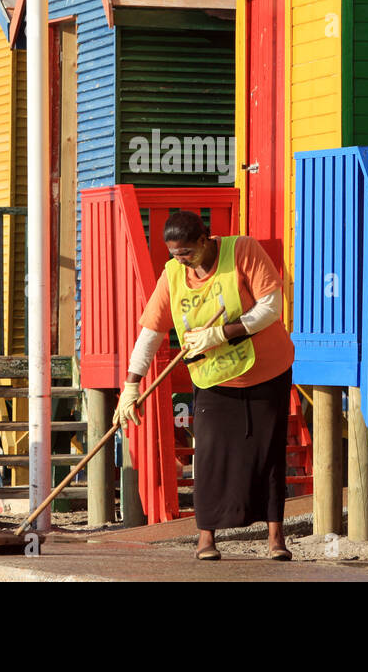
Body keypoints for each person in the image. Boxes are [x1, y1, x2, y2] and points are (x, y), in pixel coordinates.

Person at [116, 211, 295, 561]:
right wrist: (131, 384)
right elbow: (151, 332)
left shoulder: (242, 251)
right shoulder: (173, 276)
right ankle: (206, 539)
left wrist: (221, 333)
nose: (181, 260)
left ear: (205, 240)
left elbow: (271, 307)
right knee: (209, 455)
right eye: (175, 254)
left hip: (266, 369)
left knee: (268, 455)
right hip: (212, 377)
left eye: (187, 252)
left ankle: (276, 539)